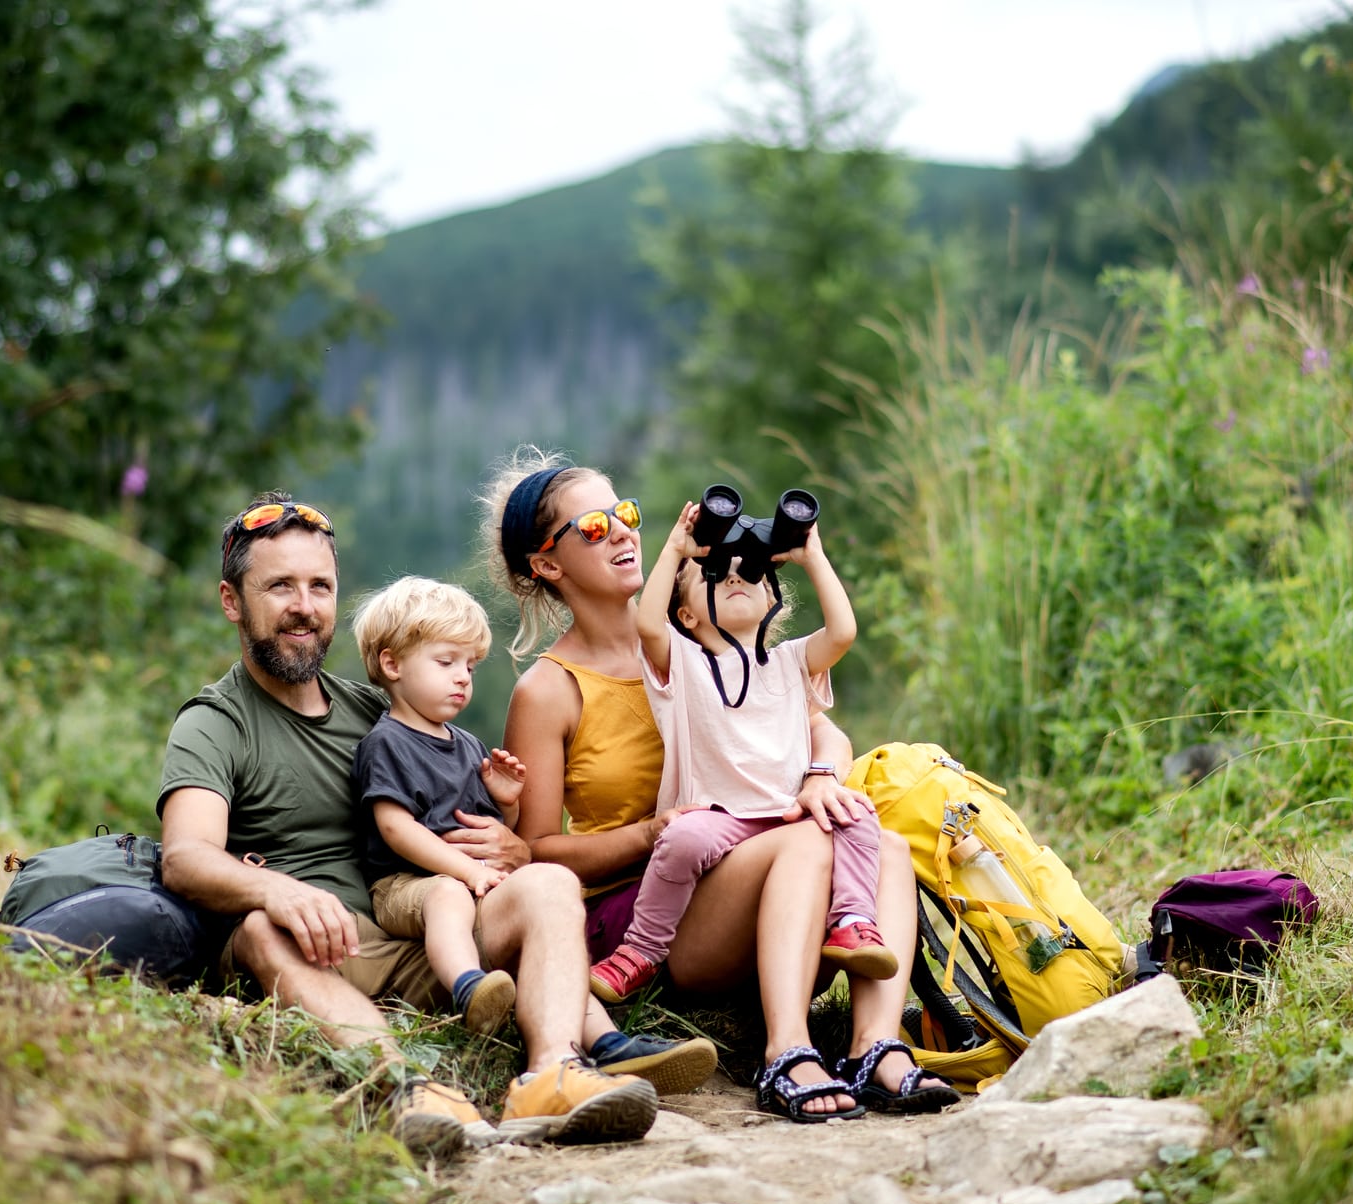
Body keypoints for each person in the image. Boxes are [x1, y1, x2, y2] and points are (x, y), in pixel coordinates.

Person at [156, 493, 715, 1159]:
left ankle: (550, 1074)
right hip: (316, 945)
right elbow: (186, 856)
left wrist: (510, 842)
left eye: (320, 586)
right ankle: (406, 1083)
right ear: (232, 601)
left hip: (427, 932)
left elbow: (469, 807)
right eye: (279, 586)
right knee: (256, 928)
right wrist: (280, 891)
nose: (303, 606)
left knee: (548, 884)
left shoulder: (377, 709)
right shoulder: (215, 721)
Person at [485, 452, 962, 1122]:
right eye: (594, 528)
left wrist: (823, 774)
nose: (624, 532)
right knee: (805, 843)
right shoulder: (550, 688)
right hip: (661, 909)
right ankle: (787, 1053)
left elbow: (817, 727)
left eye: (625, 514)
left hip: (756, 877)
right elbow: (536, 849)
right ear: (547, 564)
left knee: (878, 842)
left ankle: (875, 1048)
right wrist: (652, 833)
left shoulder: (700, 625)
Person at [586, 500, 896, 1003]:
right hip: (719, 815)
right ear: (685, 613)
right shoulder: (682, 664)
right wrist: (677, 549)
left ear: (771, 596)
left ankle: (854, 921)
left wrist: (811, 555)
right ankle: (639, 951)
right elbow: (647, 625)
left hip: (790, 813)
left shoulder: (793, 660)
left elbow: (843, 633)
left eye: (749, 573)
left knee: (860, 816)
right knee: (681, 838)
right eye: (715, 573)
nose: (735, 578)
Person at [349, 576, 527, 1037]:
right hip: (403, 886)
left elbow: (487, 832)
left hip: (466, 882)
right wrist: (467, 873)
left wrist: (506, 806)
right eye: (446, 661)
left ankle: (598, 1035)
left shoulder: (467, 744)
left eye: (470, 665)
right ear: (392, 664)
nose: (463, 676)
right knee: (447, 893)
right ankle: (468, 988)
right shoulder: (386, 742)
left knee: (538, 892)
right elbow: (396, 829)